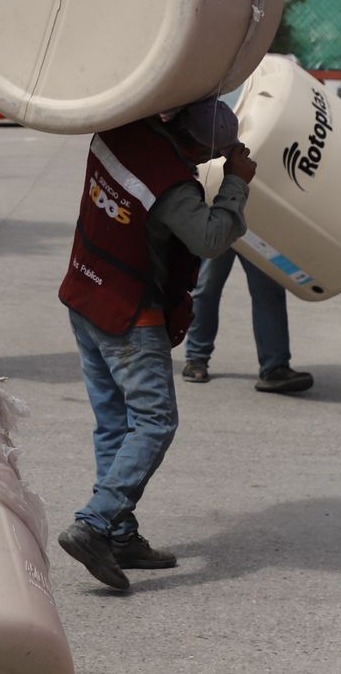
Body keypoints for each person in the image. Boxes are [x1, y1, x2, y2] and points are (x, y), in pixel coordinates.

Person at [55, 98, 255, 592]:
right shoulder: (172, 184)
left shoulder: (117, 133)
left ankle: (120, 534)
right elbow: (209, 238)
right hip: (127, 312)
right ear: (202, 148)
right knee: (154, 421)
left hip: (85, 293)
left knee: (114, 424)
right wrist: (236, 182)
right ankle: (96, 523)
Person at [181, 250, 314, 393]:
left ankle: (274, 367)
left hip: (260, 231)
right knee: (206, 287)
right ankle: (196, 359)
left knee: (269, 290)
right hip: (221, 228)